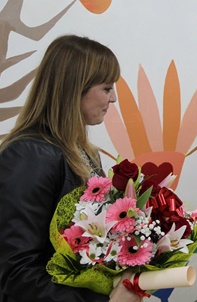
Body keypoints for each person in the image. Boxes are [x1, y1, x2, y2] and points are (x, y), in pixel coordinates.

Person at [0, 35, 142, 302]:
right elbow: (16, 274)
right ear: (74, 88)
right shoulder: (29, 154)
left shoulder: (86, 154)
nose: (113, 99)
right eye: (107, 88)